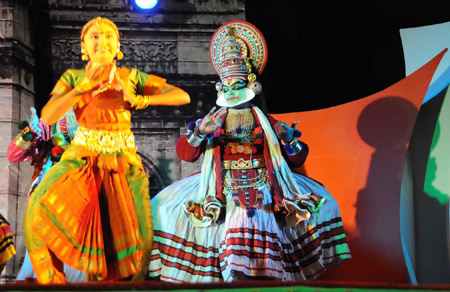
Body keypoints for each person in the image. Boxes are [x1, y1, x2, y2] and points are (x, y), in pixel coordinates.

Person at [148, 20, 351, 282]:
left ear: (251, 85)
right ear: (220, 88)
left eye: (237, 86)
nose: (232, 92)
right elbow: (186, 154)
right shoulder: (214, 121)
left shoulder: (266, 122)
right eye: (228, 87)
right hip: (222, 189)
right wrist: (200, 132)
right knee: (164, 208)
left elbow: (297, 158)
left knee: (322, 206)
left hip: (263, 185)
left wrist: (289, 141)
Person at [24, 16, 190, 284]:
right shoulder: (73, 77)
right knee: (38, 206)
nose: (103, 41)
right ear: (84, 47)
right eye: (95, 36)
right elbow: (49, 115)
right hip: (82, 158)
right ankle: (52, 283)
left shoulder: (130, 77)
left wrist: (140, 99)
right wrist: (81, 89)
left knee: (140, 237)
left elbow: (182, 96)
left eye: (109, 36)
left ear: (118, 46)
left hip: (123, 161)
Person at [7, 107, 86, 282]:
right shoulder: (50, 126)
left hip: (81, 204)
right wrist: (30, 132)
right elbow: (13, 154)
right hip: (46, 206)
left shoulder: (99, 120)